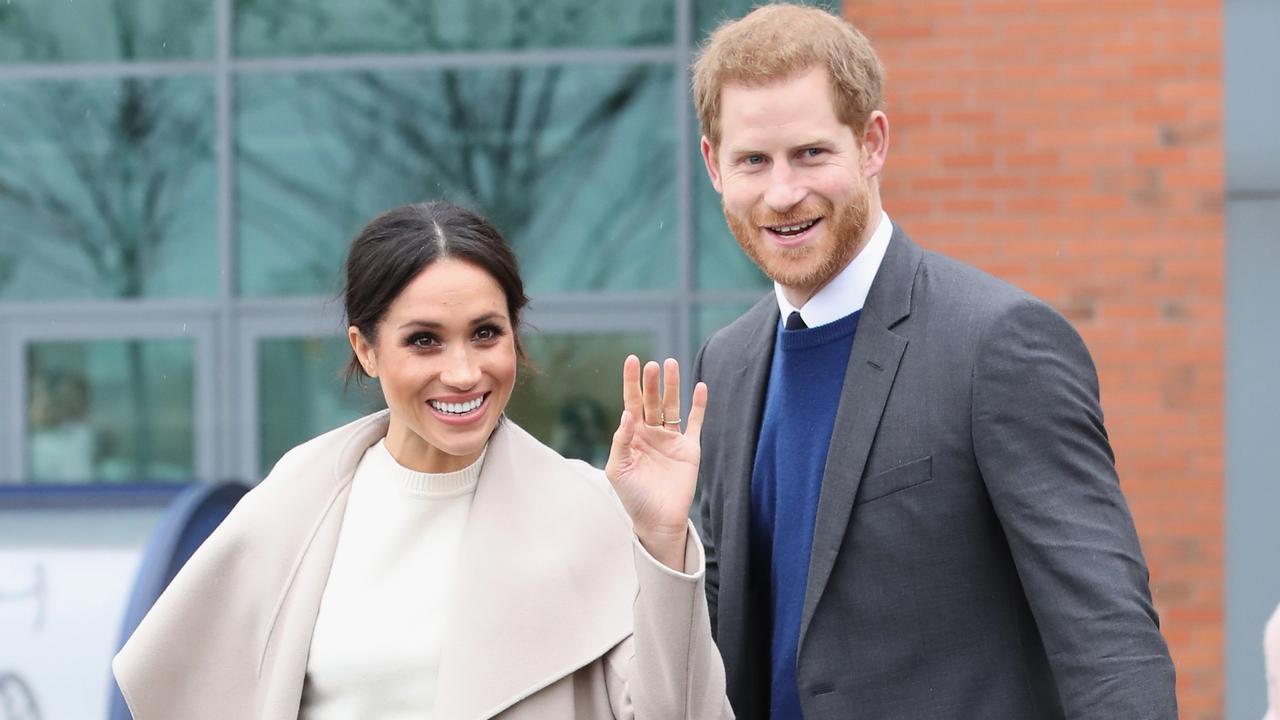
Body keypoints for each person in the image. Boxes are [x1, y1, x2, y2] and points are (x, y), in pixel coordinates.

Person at [689, 4, 1177, 718]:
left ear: (872, 143)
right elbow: (721, 632)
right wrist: (656, 539)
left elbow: (1109, 643)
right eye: (753, 161)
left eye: (812, 153)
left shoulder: (998, 343)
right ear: (713, 164)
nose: (783, 192)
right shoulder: (726, 366)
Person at [113, 201, 733, 719]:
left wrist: (659, 536)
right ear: (366, 348)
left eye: (486, 333)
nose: (463, 373)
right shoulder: (293, 505)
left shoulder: (592, 511)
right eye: (424, 340)